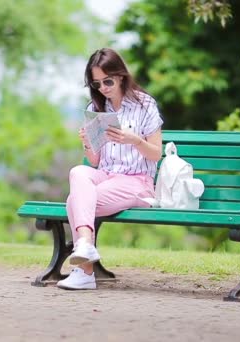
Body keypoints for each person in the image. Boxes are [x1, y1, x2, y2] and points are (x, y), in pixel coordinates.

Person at [57, 48, 163, 290]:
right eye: (97, 84)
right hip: (106, 176)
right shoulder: (96, 108)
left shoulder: (145, 104)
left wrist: (134, 140)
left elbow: (156, 153)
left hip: (138, 182)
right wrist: (87, 142)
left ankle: (83, 272)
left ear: (121, 76)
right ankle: (85, 248)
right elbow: (94, 162)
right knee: (77, 172)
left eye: (108, 81)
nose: (103, 88)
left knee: (75, 201)